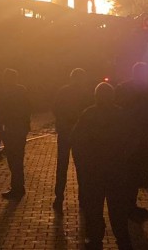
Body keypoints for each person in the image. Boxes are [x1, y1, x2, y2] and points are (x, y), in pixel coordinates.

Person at [73, 82, 135, 250]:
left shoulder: (88, 114)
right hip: (116, 169)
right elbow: (131, 141)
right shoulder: (121, 115)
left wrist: (82, 166)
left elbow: (78, 143)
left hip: (94, 171)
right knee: (117, 208)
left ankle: (95, 238)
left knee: (93, 207)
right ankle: (122, 238)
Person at [116, 62, 148, 220]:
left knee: (131, 170)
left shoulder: (124, 88)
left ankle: (127, 203)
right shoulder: (146, 90)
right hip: (137, 135)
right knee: (134, 171)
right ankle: (129, 205)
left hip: (131, 134)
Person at [52, 67, 94, 211]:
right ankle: (83, 198)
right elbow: (89, 113)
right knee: (82, 168)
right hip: (80, 136)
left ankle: (59, 197)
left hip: (65, 133)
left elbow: (56, 110)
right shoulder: (86, 93)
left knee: (62, 166)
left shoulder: (63, 91)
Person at [0, 68, 31, 199]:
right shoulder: (21, 91)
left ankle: (17, 187)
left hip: (12, 129)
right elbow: (27, 109)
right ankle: (18, 185)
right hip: (20, 129)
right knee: (17, 158)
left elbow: (3, 111)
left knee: (14, 159)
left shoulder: (7, 93)